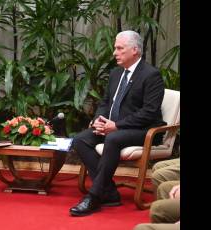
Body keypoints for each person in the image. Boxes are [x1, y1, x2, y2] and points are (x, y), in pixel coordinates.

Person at [69, 30, 166, 216]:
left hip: (144, 130)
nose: (114, 53)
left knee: (112, 138)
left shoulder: (151, 75)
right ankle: (110, 193)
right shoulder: (115, 73)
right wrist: (98, 119)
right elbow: (105, 103)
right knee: (80, 139)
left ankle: (94, 196)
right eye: (115, 48)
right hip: (113, 127)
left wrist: (117, 125)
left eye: (120, 48)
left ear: (135, 50)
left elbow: (149, 112)